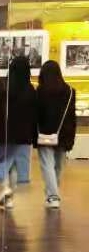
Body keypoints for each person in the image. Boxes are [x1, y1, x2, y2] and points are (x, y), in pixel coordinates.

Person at [0, 55, 36, 210]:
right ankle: (9, 195)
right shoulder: (30, 90)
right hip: (22, 135)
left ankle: (6, 191)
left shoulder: (0, 87)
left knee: (3, 162)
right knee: (15, 166)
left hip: (3, 133)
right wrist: (34, 135)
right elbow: (33, 115)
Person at [35, 60, 76, 209]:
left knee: (47, 165)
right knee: (58, 166)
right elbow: (72, 117)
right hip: (63, 134)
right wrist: (71, 138)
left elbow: (36, 115)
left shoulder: (40, 91)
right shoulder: (70, 91)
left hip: (44, 134)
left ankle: (53, 196)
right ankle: (52, 195)